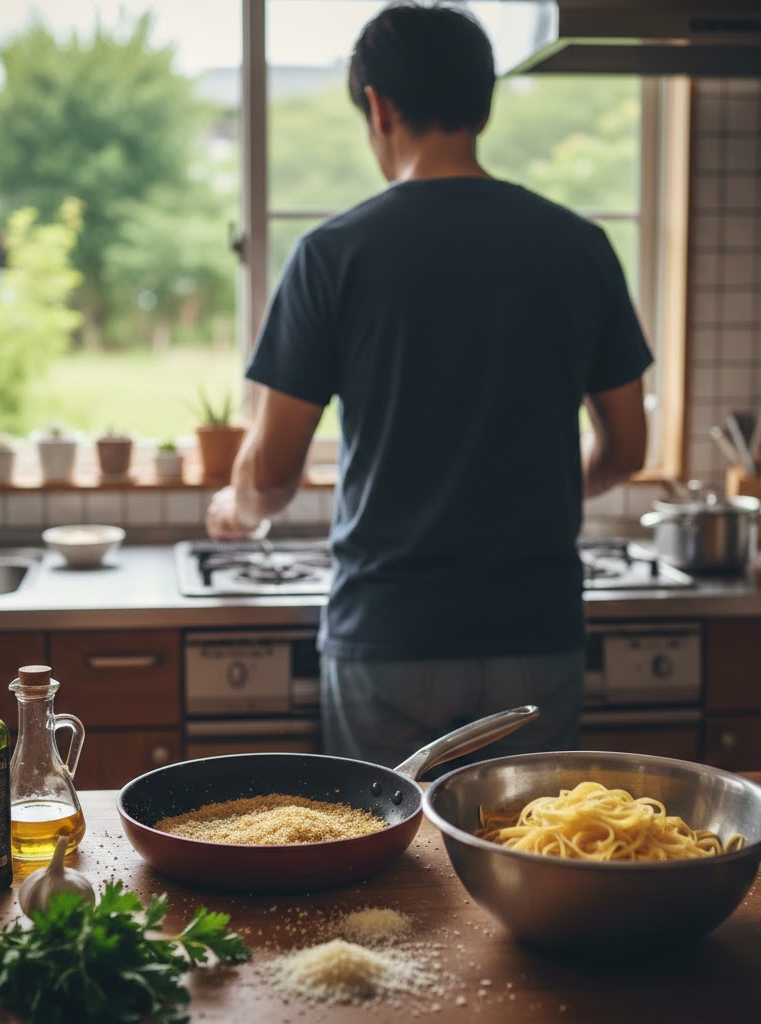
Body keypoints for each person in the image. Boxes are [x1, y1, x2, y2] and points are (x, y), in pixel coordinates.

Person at [206, 1, 651, 770]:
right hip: (536, 634)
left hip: (389, 638)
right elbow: (628, 449)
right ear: (483, 102)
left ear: (378, 105)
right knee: (532, 866)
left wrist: (236, 507)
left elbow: (272, 475)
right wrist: (539, 493)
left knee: (392, 876)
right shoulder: (580, 249)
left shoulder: (332, 254)